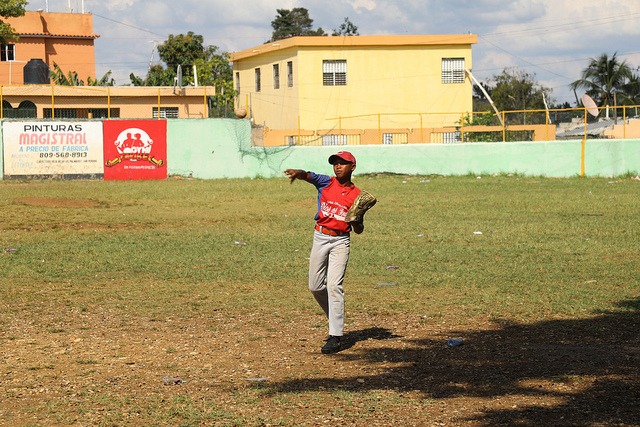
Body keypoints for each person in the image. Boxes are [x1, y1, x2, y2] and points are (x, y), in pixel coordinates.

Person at [284, 151, 363, 354]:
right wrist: (297, 173)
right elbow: (307, 175)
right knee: (315, 286)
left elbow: (359, 229)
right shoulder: (326, 183)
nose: (337, 167)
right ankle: (335, 317)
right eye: (335, 163)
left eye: (342, 163)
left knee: (334, 286)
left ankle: (335, 336)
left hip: (340, 241)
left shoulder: (358, 196)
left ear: (352, 167)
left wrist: (355, 220)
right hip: (320, 237)